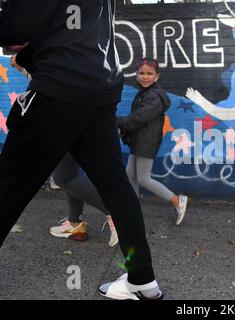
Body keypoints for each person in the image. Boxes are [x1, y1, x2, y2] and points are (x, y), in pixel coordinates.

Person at [0, 0, 162, 300]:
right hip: (100, 87)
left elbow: (12, 31)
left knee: (7, 186)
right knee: (116, 186)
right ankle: (142, 279)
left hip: (59, 85)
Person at [9, 54, 118, 246]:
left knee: (63, 178)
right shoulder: (73, 47)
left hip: (66, 120)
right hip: (76, 118)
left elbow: (51, 86)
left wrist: (24, 67)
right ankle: (74, 222)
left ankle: (116, 213)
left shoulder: (57, 48)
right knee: (70, 175)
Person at [117, 58, 188, 225]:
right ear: (137, 75)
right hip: (139, 140)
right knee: (130, 175)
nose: (145, 77)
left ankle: (177, 200)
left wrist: (113, 120)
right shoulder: (144, 94)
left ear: (157, 76)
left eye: (149, 73)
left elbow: (138, 119)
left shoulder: (154, 97)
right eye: (142, 73)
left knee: (143, 178)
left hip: (146, 142)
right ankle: (133, 210)